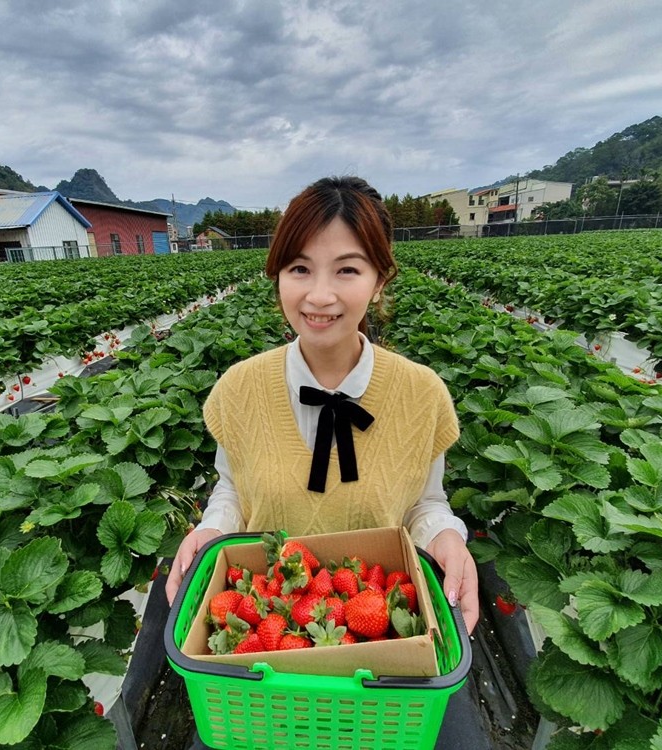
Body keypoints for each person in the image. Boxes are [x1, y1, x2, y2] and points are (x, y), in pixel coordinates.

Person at [165, 175, 479, 634]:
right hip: (270, 632)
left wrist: (447, 535)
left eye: (347, 270)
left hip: (376, 638)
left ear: (379, 280)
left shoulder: (421, 394)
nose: (319, 295)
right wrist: (211, 531)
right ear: (278, 275)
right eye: (299, 268)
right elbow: (233, 492)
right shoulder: (239, 390)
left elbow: (423, 503)